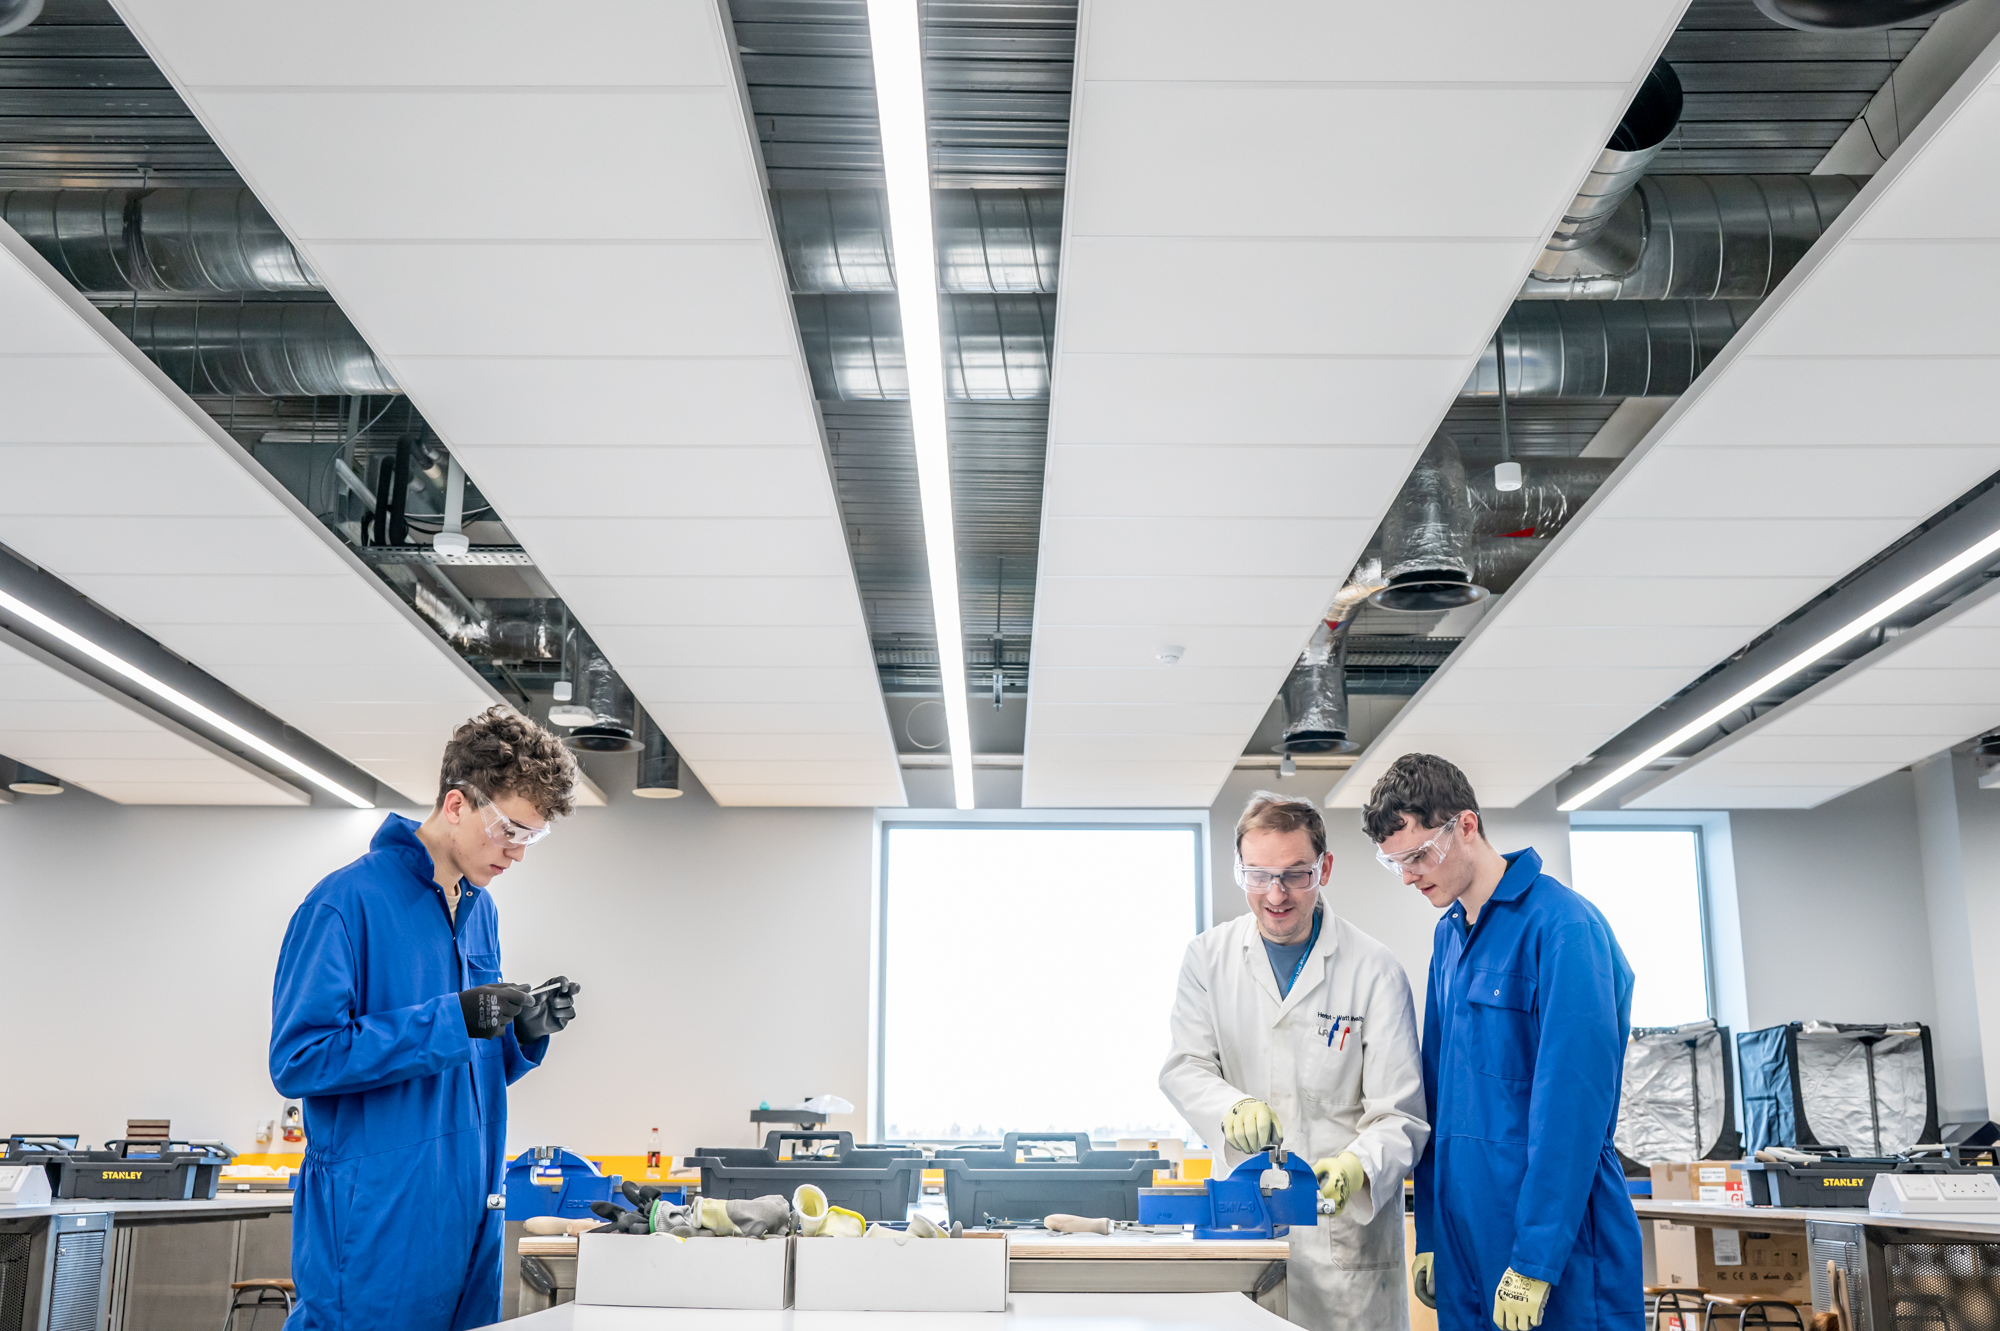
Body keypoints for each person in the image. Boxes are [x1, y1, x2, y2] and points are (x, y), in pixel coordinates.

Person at [270, 706, 583, 1331]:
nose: (517, 855)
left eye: (530, 838)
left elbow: (460, 1068)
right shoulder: (344, 904)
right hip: (376, 1229)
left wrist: (520, 1037)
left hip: (468, 1217)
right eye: (509, 831)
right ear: (458, 805)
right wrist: (453, 1020)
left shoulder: (480, 912)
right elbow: (300, 1059)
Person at [1365, 754, 1640, 1331]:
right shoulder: (1449, 937)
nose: (1411, 876)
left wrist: (1536, 1260)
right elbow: (1434, 1099)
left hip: (1555, 1240)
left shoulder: (1563, 928)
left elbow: (1572, 1109)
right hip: (1468, 1237)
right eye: (1397, 865)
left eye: (1418, 855)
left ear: (1465, 826)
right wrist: (1433, 1233)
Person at [1162, 791, 1429, 1331]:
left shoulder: (1374, 970)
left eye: (1295, 874)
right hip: (1244, 1232)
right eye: (1258, 875)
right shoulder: (1207, 959)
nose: (1275, 893)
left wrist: (1358, 1168)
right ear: (1239, 870)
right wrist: (1229, 1106)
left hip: (1344, 1251)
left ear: (1324, 868)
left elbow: (1400, 1115)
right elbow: (1184, 1067)